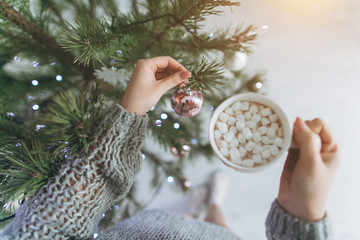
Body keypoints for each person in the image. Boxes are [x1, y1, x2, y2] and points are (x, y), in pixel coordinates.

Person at [0, 56, 341, 240]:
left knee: (200, 219)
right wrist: (303, 217)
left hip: (152, 225)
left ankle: (203, 207)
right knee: (218, 223)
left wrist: (128, 116)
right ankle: (212, 206)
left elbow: (46, 228)